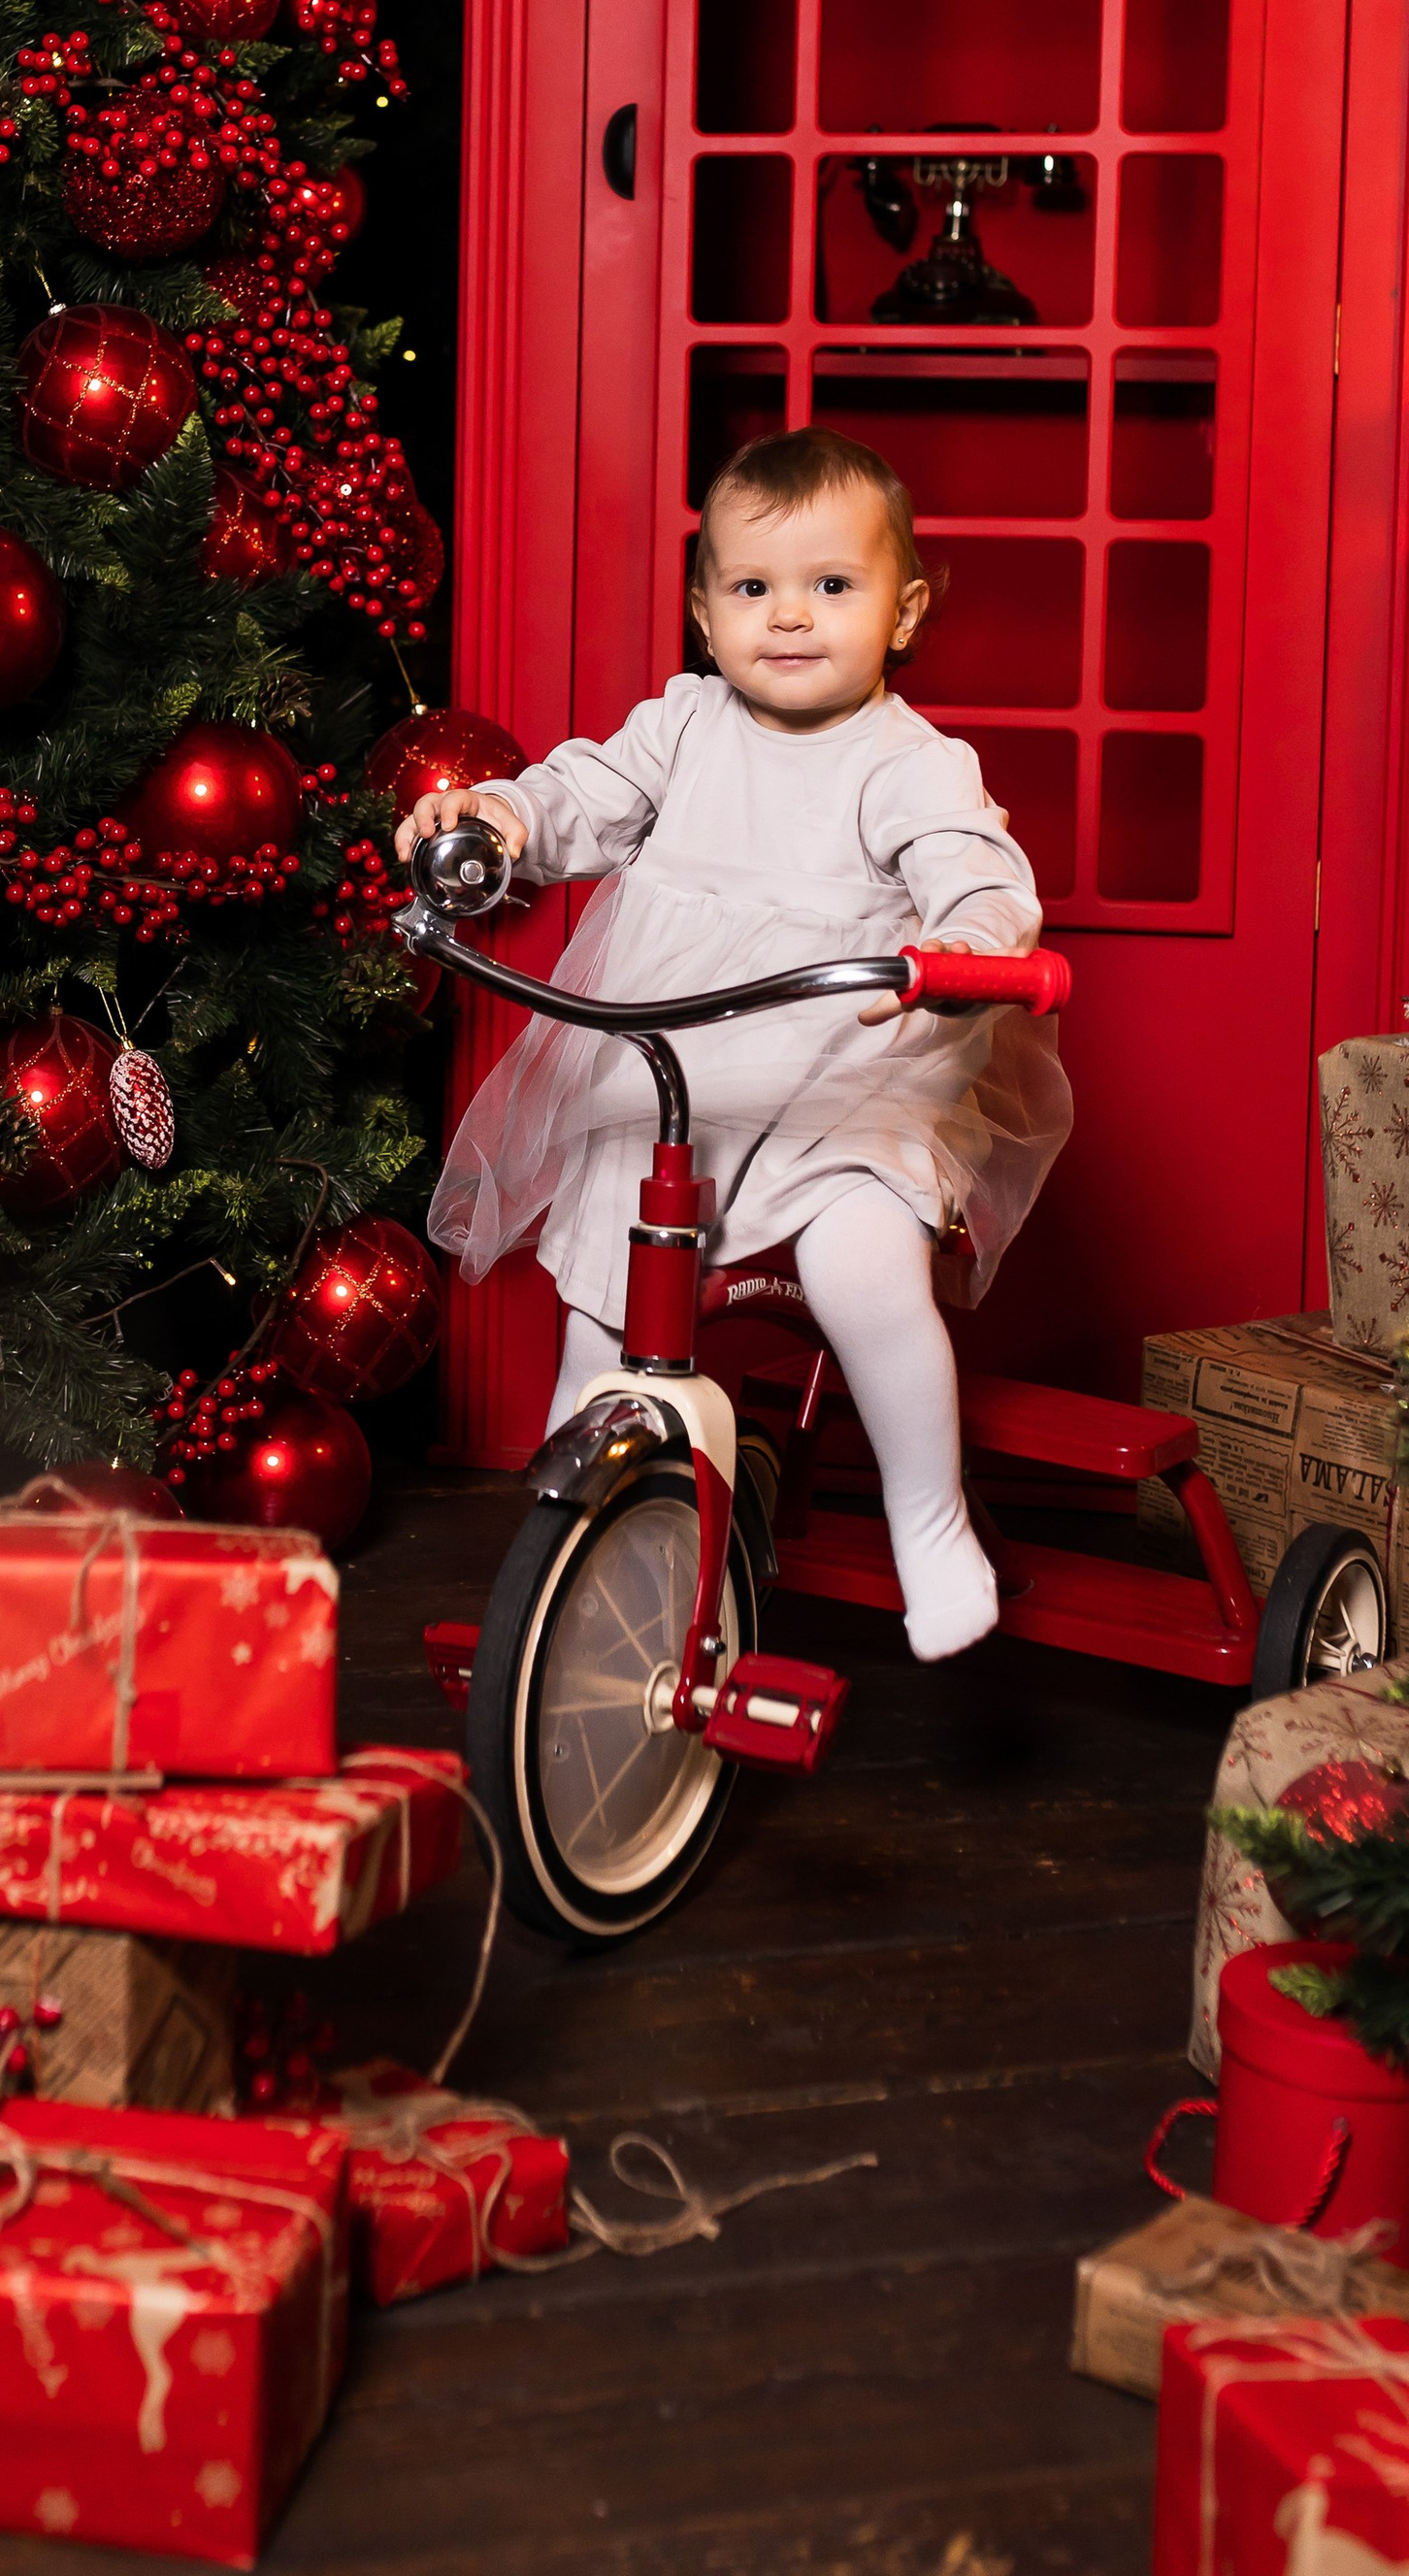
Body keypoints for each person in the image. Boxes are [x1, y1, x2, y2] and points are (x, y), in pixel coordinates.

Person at [394, 425, 1068, 1661]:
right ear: (707, 619)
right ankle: (569, 1553)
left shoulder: (908, 765)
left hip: (841, 1084)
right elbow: (579, 793)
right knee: (602, 1284)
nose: (791, 619)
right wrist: (500, 815)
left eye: (832, 586)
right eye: (754, 589)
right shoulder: (683, 727)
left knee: (865, 1267)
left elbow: (974, 868)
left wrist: (966, 946)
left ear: (904, 610)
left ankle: (929, 1520)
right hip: (675, 1086)